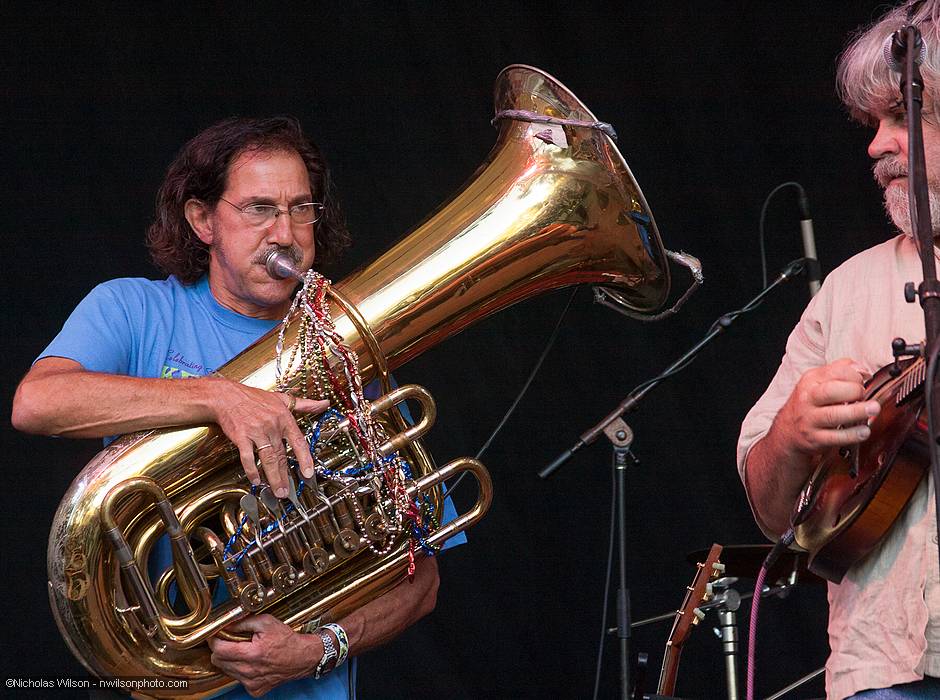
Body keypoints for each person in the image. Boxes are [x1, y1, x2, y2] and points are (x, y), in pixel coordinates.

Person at [11, 116, 459, 699]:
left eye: (302, 209)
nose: (285, 233)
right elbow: (37, 401)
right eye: (258, 209)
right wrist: (221, 396)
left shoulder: (343, 356)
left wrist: (318, 648)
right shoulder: (135, 310)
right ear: (203, 220)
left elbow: (420, 580)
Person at [737, 3, 940, 699]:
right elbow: (772, 510)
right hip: (884, 673)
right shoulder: (846, 290)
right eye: (872, 123)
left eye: (904, 117)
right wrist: (793, 434)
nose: (877, 144)